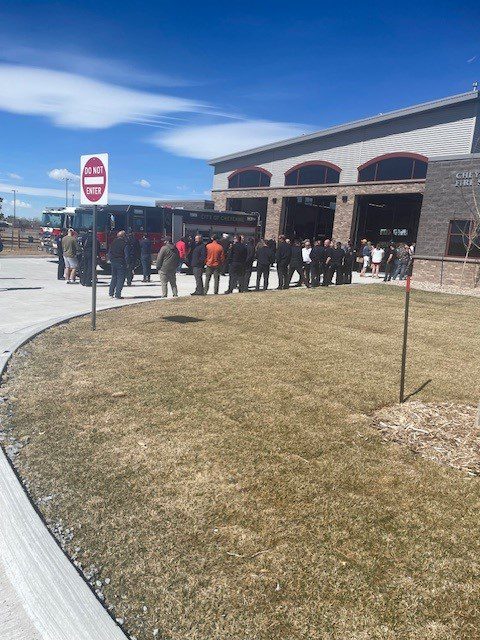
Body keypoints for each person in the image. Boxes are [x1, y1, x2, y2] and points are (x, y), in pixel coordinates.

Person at [108, 230, 127, 299]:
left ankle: (111, 293)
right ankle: (117, 294)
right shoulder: (124, 243)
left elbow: (109, 252)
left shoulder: (113, 242)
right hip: (121, 261)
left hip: (113, 261)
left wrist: (111, 259)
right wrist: (127, 263)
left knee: (114, 277)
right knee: (121, 278)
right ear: (124, 236)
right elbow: (126, 254)